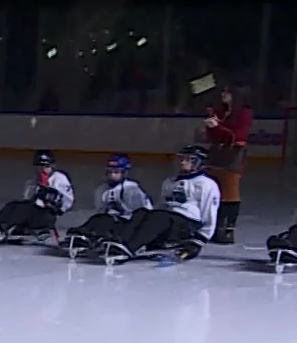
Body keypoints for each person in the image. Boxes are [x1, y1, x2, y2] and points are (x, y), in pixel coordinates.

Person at [103, 144, 220, 264]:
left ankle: (130, 248)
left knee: (160, 217)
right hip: (167, 221)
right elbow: (162, 205)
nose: (183, 162)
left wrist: (200, 239)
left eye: (190, 159)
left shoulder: (206, 184)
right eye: (181, 158)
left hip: (187, 224)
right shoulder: (169, 181)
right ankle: (120, 242)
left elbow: (209, 212)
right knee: (142, 212)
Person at [0, 150, 74, 244]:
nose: (43, 168)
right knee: (13, 205)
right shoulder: (33, 180)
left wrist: (53, 201)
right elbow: (27, 198)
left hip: (46, 216)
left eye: (46, 166)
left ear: (52, 165)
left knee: (26, 208)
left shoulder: (59, 178)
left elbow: (67, 200)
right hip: (32, 213)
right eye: (40, 166)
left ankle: (2, 227)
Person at [62, 155, 151, 252]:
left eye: (116, 172)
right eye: (110, 172)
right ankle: (83, 234)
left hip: (126, 223)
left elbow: (139, 213)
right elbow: (101, 210)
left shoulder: (131, 188)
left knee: (107, 220)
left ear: (124, 173)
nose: (112, 175)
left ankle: (93, 236)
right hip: (111, 220)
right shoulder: (102, 189)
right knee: (98, 218)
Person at [204, 85, 250, 244]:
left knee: (230, 191)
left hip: (233, 153)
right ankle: (215, 227)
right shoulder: (220, 111)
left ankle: (228, 229)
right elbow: (212, 135)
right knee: (214, 189)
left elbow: (238, 135)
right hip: (217, 151)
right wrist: (212, 126)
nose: (223, 94)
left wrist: (218, 127)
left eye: (227, 92)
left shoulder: (244, 113)